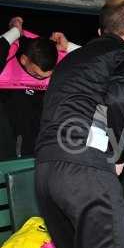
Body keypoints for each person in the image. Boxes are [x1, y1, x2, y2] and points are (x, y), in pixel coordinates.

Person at [34, 0, 124, 248]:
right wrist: (119, 155)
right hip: (85, 170)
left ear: (100, 31)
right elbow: (122, 99)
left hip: (46, 171)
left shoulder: (71, 60)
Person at [0, 16, 76, 157]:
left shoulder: (59, 65)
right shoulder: (6, 63)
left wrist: (68, 47)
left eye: (47, 75)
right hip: (10, 149)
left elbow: (99, 60)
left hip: (45, 149)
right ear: (24, 60)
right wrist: (14, 32)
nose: (42, 78)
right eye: (37, 74)